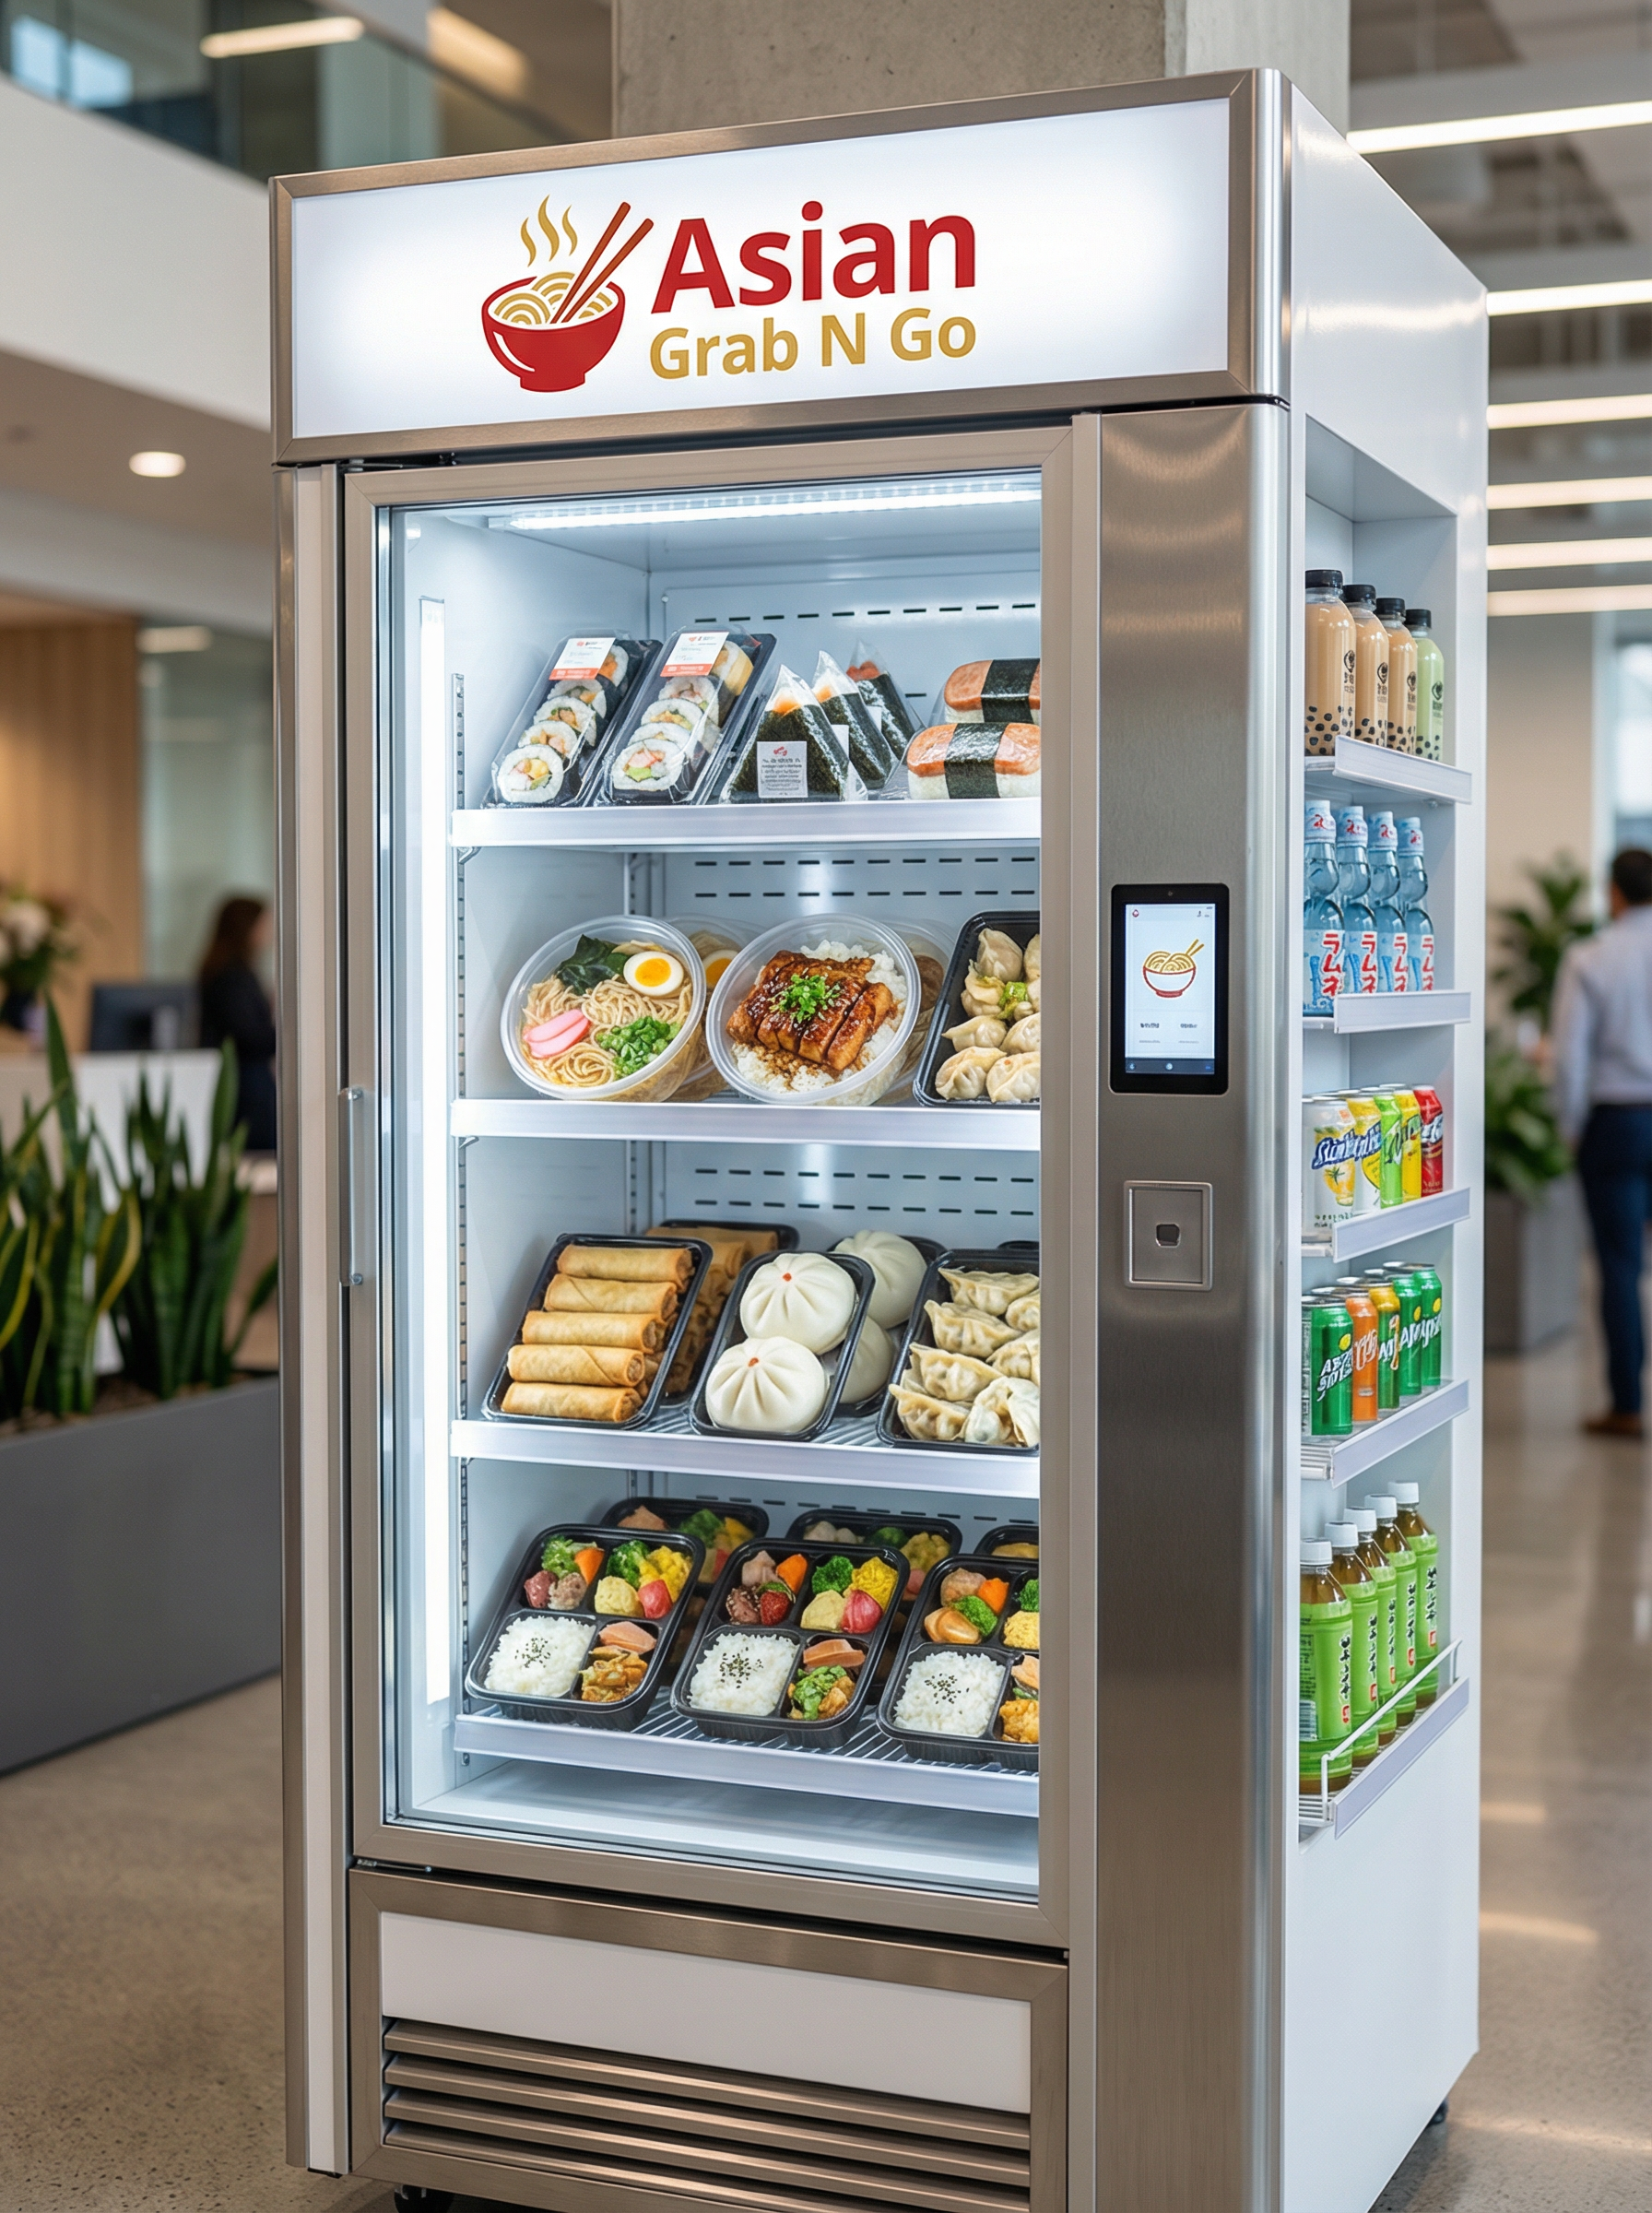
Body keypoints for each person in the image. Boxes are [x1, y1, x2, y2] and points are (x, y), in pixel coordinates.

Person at [1552, 847, 1652, 1438]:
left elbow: (1570, 1059)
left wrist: (1570, 1126)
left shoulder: (1591, 957)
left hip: (1617, 1123)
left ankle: (1627, 1404)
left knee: (1619, 1267)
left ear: (1613, 893)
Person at [198, 895, 277, 1154]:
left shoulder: (237, 972)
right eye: (263, 925)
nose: (267, 933)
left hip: (247, 1084)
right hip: (244, 1090)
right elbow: (246, 1037)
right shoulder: (231, 976)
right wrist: (292, 1036)